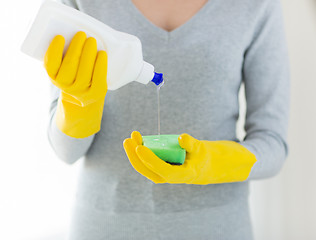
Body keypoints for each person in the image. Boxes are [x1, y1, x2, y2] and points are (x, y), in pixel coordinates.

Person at [45, 0, 290, 239]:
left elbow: (273, 144)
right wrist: (79, 103)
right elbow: (67, 152)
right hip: (104, 226)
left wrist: (211, 162)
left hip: (217, 228)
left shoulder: (256, 5)